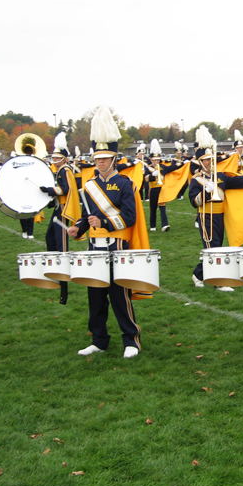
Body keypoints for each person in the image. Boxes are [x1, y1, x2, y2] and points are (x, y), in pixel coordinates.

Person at [67, 107, 144, 358]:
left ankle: (131, 340)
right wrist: (78, 226)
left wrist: (106, 224)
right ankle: (99, 340)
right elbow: (87, 216)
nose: (100, 162)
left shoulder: (125, 183)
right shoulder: (89, 185)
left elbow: (130, 218)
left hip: (117, 246)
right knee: (95, 295)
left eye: (104, 158)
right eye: (97, 158)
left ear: (114, 159)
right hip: (94, 246)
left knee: (119, 295)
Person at [189, 125, 243, 297]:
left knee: (215, 247)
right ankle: (219, 282)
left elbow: (241, 181)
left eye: (212, 159)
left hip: (220, 216)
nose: (211, 162)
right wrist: (206, 191)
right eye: (207, 160)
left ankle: (198, 274)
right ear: (201, 162)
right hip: (206, 216)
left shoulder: (221, 176)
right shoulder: (196, 180)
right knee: (213, 249)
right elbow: (194, 202)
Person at [40, 132, 81, 304]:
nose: (54, 160)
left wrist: (49, 190)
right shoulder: (59, 170)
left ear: (64, 159)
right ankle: (54, 271)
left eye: (58, 157)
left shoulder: (64, 170)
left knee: (62, 247)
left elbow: (64, 189)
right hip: (58, 208)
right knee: (50, 238)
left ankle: (63, 286)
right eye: (53, 157)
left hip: (63, 212)